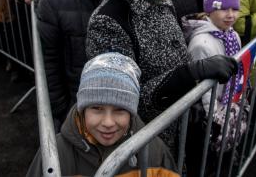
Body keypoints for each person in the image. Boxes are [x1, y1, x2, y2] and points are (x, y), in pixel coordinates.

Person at [86, 0, 238, 154]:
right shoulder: (109, 22)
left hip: (178, 126)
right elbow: (121, 101)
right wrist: (190, 74)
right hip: (146, 144)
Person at [26, 52, 180, 177]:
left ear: (132, 113)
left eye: (120, 109)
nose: (108, 122)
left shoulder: (153, 151)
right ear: (82, 109)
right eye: (97, 108)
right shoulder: (54, 155)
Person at [36, 0, 114, 129]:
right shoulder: (52, 1)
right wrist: (63, 112)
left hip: (121, 107)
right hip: (76, 109)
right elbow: (48, 65)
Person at [183, 0, 248, 176]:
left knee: (219, 159)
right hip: (210, 115)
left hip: (227, 104)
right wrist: (216, 118)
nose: (230, 15)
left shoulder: (231, 34)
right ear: (210, 9)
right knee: (206, 162)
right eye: (223, 9)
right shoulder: (202, 43)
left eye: (235, 9)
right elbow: (201, 90)